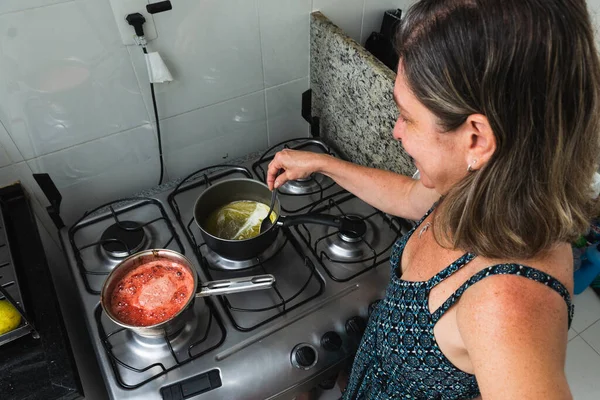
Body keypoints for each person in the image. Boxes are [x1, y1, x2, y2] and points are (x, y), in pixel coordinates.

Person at [268, 0, 600, 398]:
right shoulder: (481, 186)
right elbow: (411, 197)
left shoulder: (505, 305)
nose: (397, 132)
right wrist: (322, 164)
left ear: (476, 138)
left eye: (407, 117)